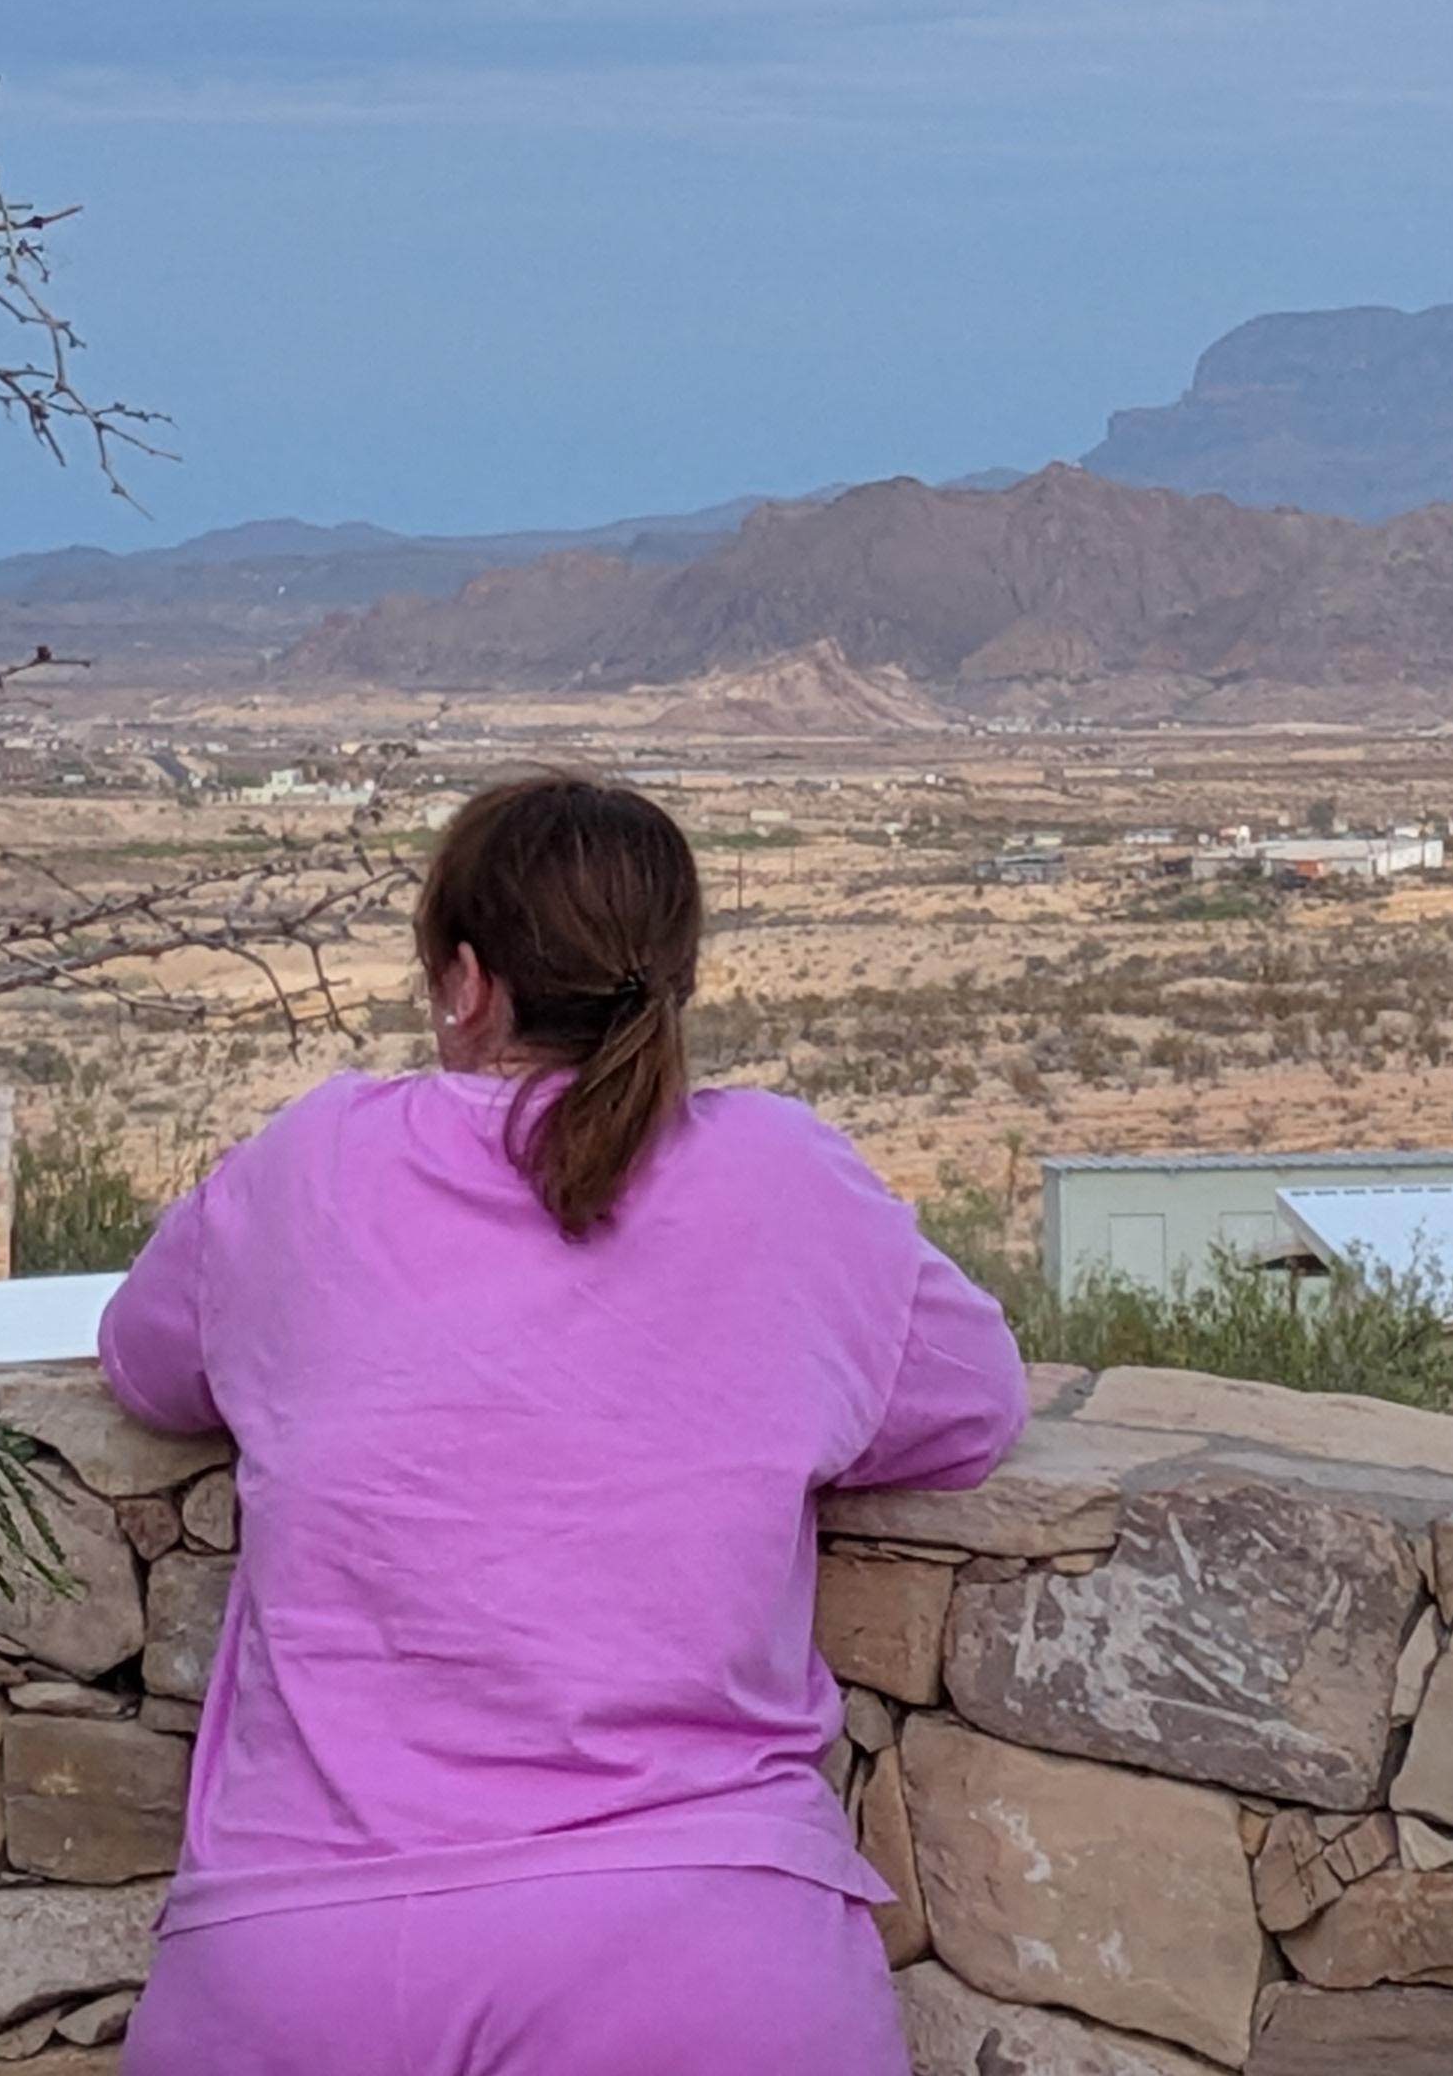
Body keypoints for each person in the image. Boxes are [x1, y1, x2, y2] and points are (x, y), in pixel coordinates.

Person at [103, 770, 1027, 2076]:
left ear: (465, 982)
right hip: (709, 1959)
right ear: (675, 981)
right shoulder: (785, 1181)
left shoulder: (313, 1164)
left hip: (306, 1963)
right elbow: (974, 1406)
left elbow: (144, 1367)